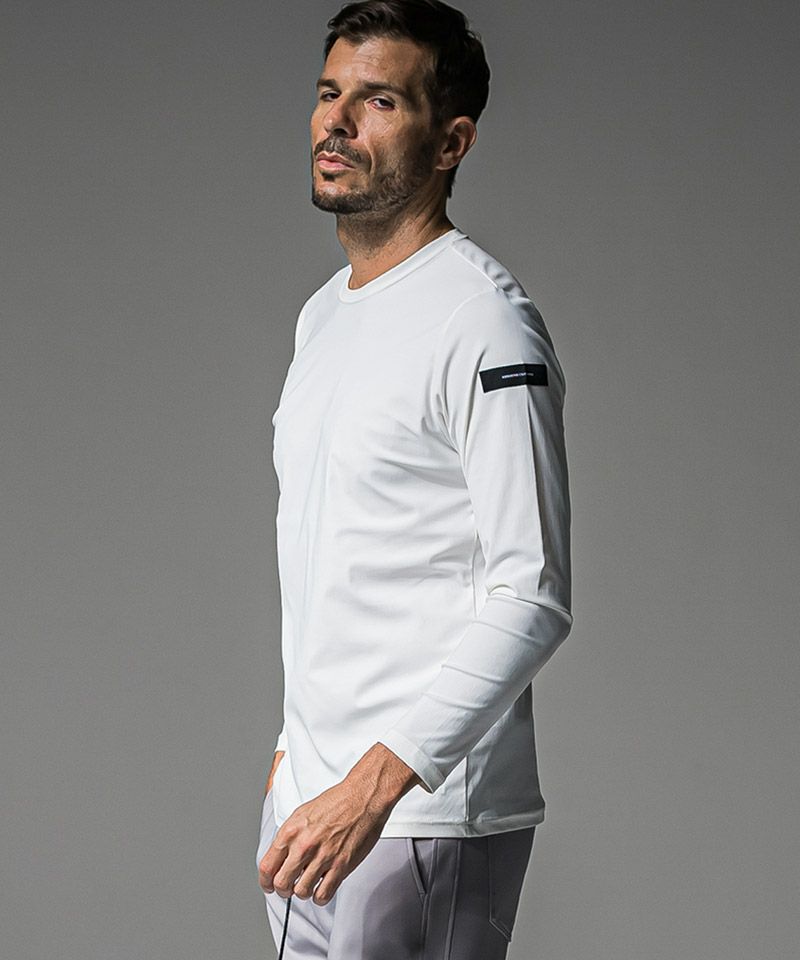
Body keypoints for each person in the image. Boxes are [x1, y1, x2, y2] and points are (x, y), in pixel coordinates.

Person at [255, 1, 572, 957]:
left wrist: (376, 785)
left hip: (418, 815)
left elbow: (533, 595)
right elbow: (338, 553)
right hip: (310, 810)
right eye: (329, 94)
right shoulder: (322, 317)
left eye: (380, 100)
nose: (337, 122)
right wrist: (294, 754)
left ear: (451, 142)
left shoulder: (485, 323)